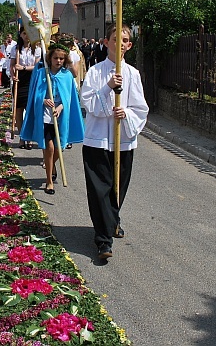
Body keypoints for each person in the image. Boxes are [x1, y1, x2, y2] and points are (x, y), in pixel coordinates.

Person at [80, 24, 149, 260]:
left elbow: (140, 108)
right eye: (115, 38)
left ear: (129, 46)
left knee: (117, 189)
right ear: (106, 42)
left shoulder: (133, 74)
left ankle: (113, 221)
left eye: (125, 39)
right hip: (97, 141)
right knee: (100, 190)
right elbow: (88, 102)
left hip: (123, 141)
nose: (119, 43)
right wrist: (108, 87)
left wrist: (126, 114)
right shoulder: (95, 72)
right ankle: (103, 241)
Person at [20, 43, 84, 194]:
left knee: (58, 148)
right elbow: (34, 95)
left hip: (60, 117)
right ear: (50, 58)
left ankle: (52, 165)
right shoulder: (42, 74)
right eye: (56, 58)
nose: (59, 61)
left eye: (62, 58)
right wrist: (43, 100)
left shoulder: (67, 75)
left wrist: (61, 107)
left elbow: (69, 99)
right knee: (48, 147)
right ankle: (49, 180)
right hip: (45, 117)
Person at [10, 27, 41, 149]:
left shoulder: (37, 49)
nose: (27, 36)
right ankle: (22, 137)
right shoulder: (16, 49)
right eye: (24, 33)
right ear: (21, 35)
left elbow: (37, 66)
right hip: (19, 80)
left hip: (31, 79)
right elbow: (12, 65)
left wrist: (23, 68)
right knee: (18, 109)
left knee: (30, 109)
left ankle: (29, 136)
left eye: (29, 33)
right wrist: (13, 76)